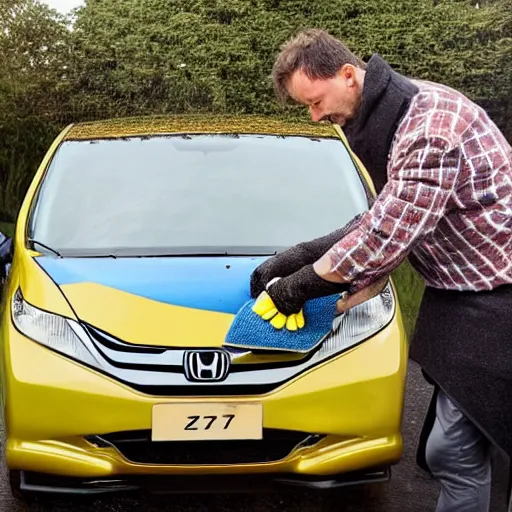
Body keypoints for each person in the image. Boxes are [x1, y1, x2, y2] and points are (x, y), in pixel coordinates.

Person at [250, 28, 512, 512]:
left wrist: (301, 287)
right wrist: (302, 253)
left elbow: (388, 234)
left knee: (455, 451)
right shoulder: (390, 115)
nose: (315, 116)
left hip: (498, 300)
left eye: (315, 101)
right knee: (455, 450)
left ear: (348, 75)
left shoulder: (429, 126)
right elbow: (382, 214)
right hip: (463, 295)